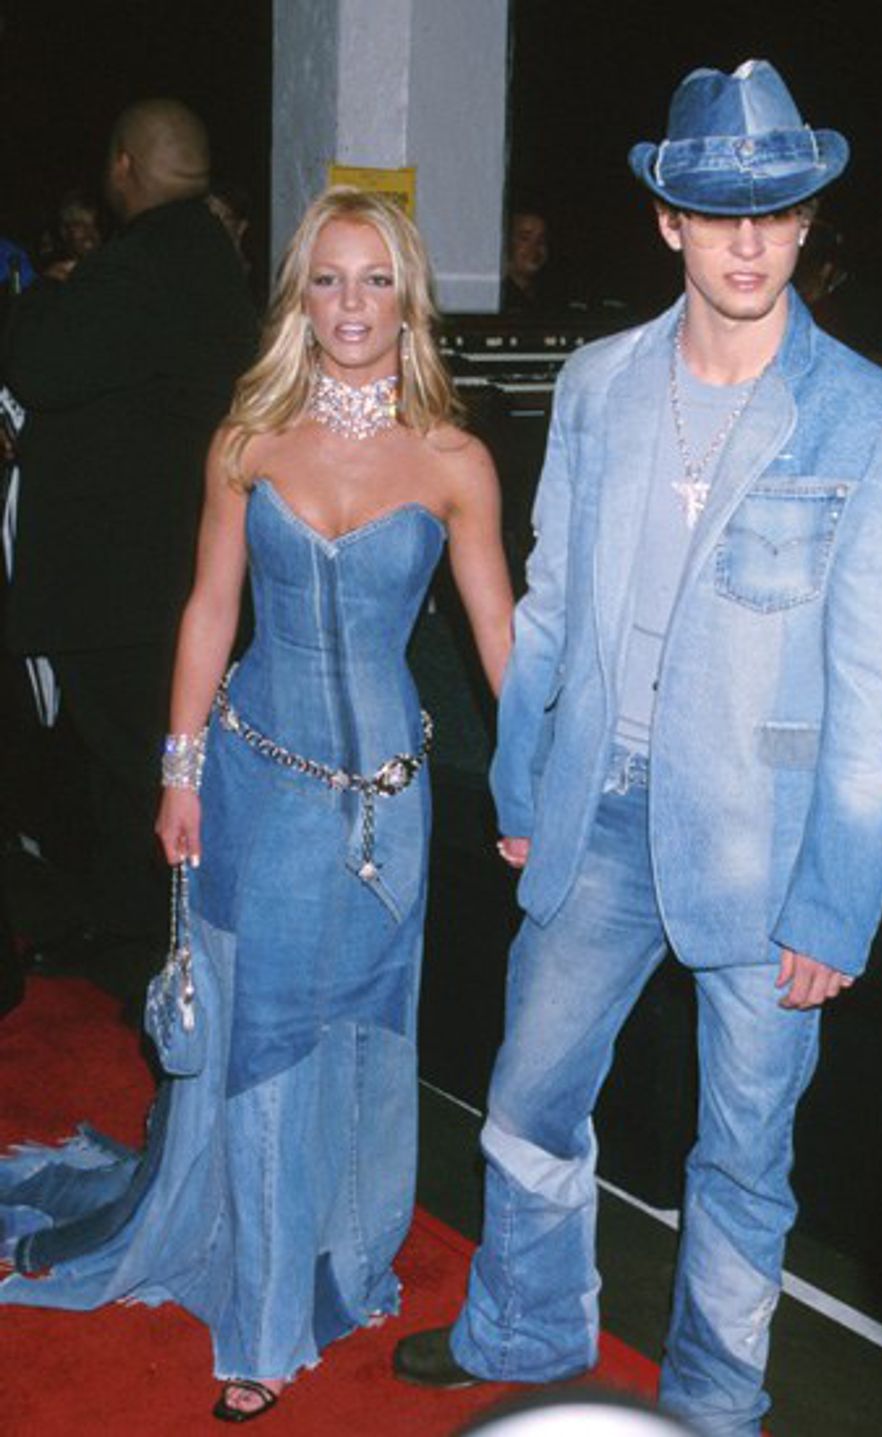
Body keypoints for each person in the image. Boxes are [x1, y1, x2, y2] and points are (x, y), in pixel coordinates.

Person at [393, 59, 882, 1436]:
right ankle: (523, 1320)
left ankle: (712, 1399)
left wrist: (837, 900)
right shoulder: (598, 384)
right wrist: (524, 778)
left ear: (806, 223)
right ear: (668, 221)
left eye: (776, 213)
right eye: (718, 214)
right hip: (597, 809)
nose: (748, 243)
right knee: (526, 1097)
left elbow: (880, 699)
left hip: (769, 849)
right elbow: (553, 606)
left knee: (742, 1159)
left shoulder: (873, 420)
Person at [0, 185, 513, 1424]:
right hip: (259, 785)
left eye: (374, 279)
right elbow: (208, 610)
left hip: (386, 806)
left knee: (367, 1035)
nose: (350, 304)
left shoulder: (454, 460)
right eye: (326, 279)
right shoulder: (248, 439)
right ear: (298, 297)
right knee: (271, 1036)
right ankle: (269, 1321)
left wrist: (530, 788)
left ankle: (344, 1252)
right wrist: (177, 774)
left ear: (409, 298)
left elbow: (501, 642)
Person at [2, 99, 256, 1009]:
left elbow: (40, 366)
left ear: (122, 165)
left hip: (128, 585)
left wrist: (45, 292)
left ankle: (159, 954)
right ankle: (126, 936)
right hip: (159, 575)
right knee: (128, 775)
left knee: (140, 769)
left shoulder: (150, 258)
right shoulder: (202, 255)